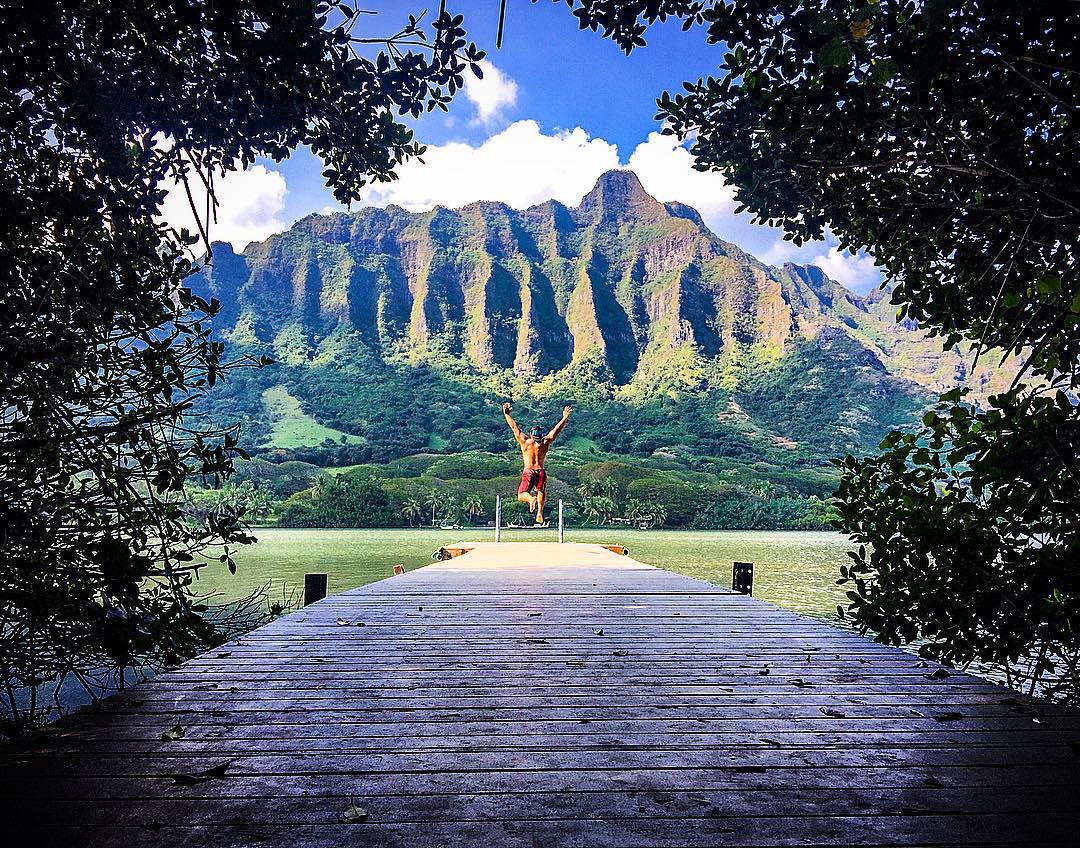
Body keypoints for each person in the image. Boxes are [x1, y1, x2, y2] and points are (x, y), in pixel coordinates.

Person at [502, 402, 571, 526]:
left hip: (529, 471)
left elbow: (514, 427)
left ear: (531, 435)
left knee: (521, 495)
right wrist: (565, 417)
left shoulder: (525, 441)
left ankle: (530, 499)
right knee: (541, 490)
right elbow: (556, 430)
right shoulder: (545, 442)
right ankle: (539, 512)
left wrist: (506, 414)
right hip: (540, 471)